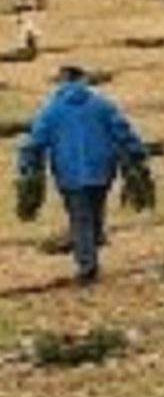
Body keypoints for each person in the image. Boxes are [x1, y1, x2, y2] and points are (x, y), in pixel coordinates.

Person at [15, 66, 150, 285]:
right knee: (95, 211)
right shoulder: (102, 105)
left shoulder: (51, 110)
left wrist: (27, 167)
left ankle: (87, 265)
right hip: (102, 170)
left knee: (80, 217)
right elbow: (123, 131)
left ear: (62, 81)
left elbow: (35, 142)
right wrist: (137, 154)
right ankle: (91, 248)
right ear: (83, 80)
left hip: (69, 174)